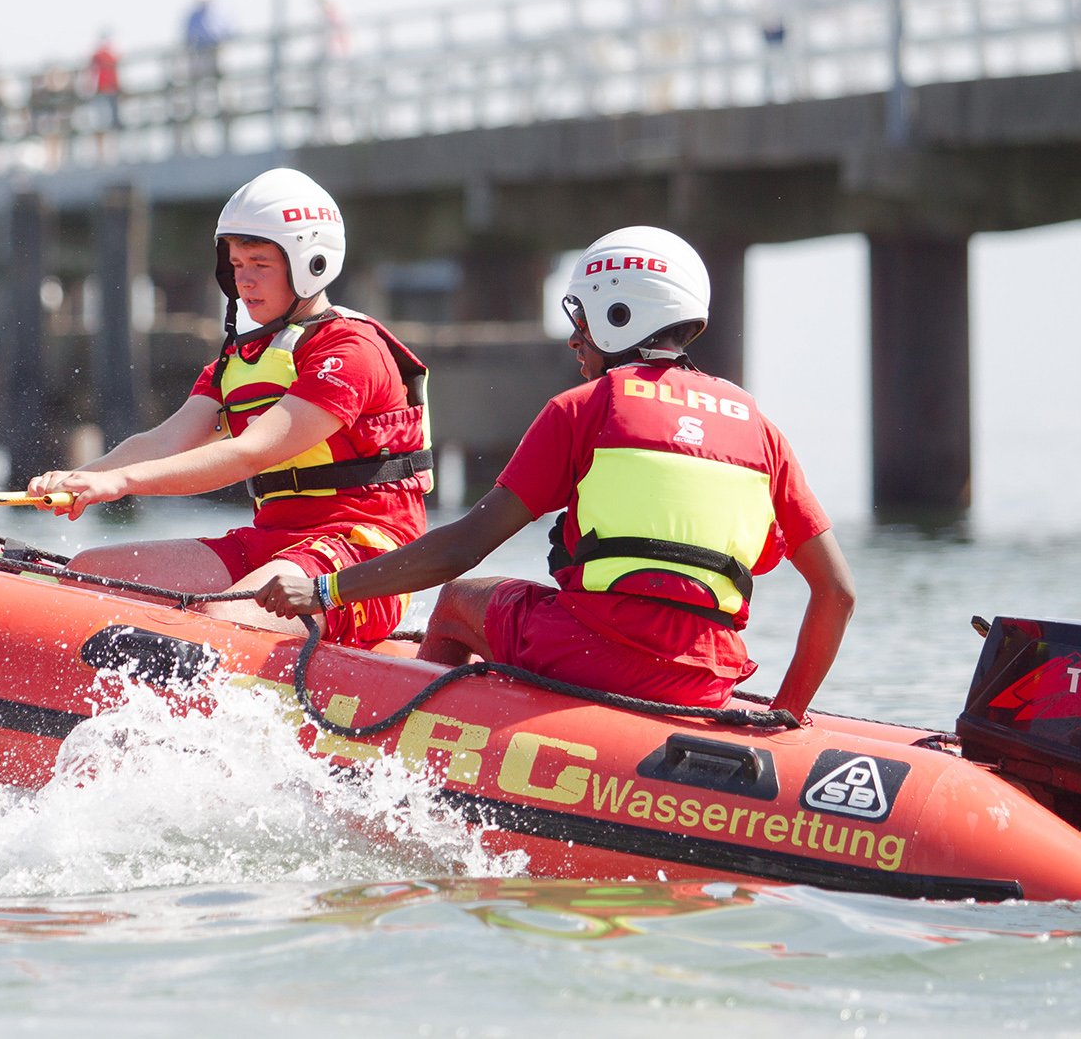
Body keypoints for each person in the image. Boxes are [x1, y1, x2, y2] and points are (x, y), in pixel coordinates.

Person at [254, 226, 855, 720]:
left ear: (621, 315)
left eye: (586, 322)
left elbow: (462, 548)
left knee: (461, 601)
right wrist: (788, 713)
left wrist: (327, 589)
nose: (574, 339)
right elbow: (838, 592)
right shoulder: (760, 427)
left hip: (593, 654)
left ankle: (413, 746)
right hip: (706, 677)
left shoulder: (583, 408)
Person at [27, 168, 434, 649]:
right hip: (274, 541)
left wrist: (119, 484)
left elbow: (251, 452)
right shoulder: (240, 358)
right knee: (86, 573)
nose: (244, 280)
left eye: (259, 263)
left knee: (222, 620)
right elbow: (163, 441)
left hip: (363, 557)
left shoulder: (350, 350)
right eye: (236, 264)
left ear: (312, 262)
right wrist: (80, 479)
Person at [752, 0, 796, 103]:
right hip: (770, 22)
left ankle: (789, 92)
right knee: (770, 59)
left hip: (784, 21)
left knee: (786, 58)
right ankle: (769, 94)